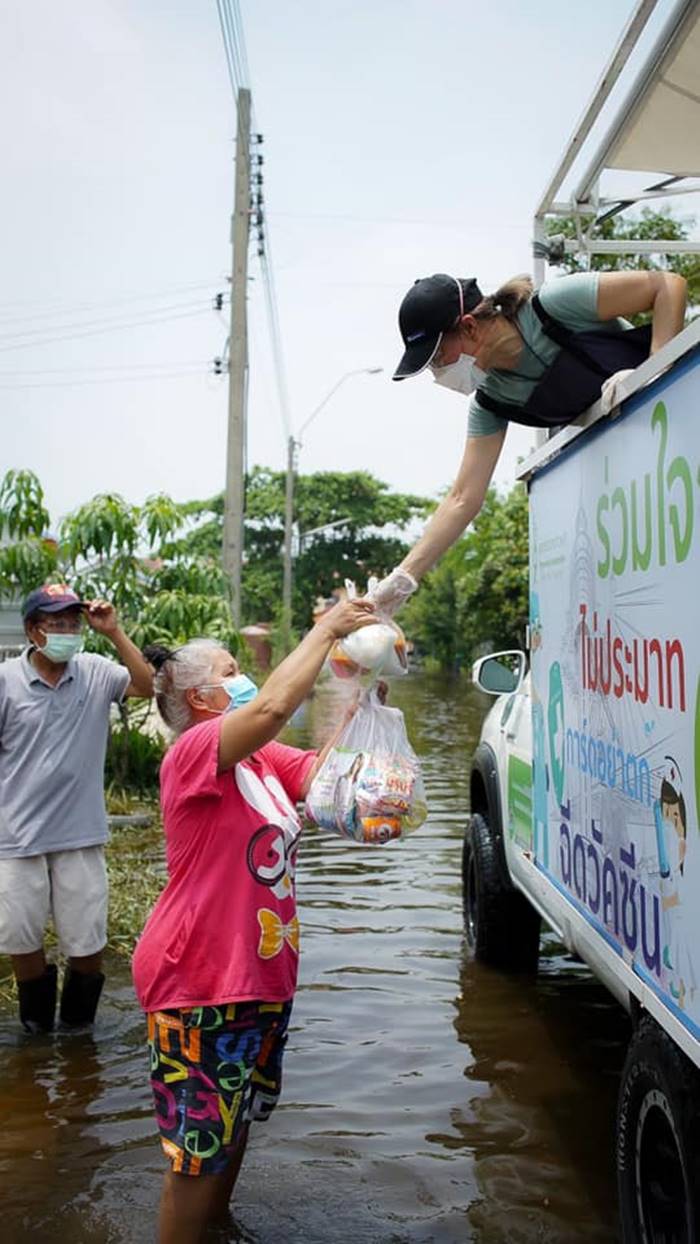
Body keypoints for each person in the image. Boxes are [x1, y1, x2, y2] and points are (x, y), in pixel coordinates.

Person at [131, 595, 375, 1244]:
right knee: (195, 1151)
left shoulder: (263, 762)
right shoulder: (192, 755)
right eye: (233, 668)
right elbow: (268, 707)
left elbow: (326, 776)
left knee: (233, 1125)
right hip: (200, 979)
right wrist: (324, 629)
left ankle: (217, 1229)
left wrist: (357, 687)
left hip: (262, 976)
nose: (246, 678)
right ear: (205, 701)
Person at [372, 268, 687, 613]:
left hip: (679, 436)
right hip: (638, 490)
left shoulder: (553, 306)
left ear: (469, 326)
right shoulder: (490, 403)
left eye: (436, 358)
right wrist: (403, 579)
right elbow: (463, 498)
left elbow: (667, 285)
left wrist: (653, 375)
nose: (437, 373)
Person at [0, 583, 154, 1033]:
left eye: (72, 623)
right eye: (57, 624)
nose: (67, 631)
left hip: (80, 835)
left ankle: (77, 1035)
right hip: (15, 838)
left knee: (87, 946)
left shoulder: (95, 670)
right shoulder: (5, 681)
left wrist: (114, 632)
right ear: (33, 630)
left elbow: (146, 686)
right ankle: (36, 1035)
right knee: (22, 943)